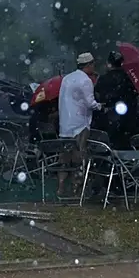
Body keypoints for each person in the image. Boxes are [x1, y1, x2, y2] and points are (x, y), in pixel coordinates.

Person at [56, 52, 101, 197]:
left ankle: (61, 187)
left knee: (64, 159)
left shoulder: (66, 79)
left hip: (65, 124)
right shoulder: (85, 81)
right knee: (79, 157)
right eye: (93, 64)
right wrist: (101, 106)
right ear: (88, 65)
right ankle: (76, 189)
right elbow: (90, 103)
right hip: (80, 124)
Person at [93, 51, 139, 149]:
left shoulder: (104, 79)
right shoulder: (129, 79)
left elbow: (98, 94)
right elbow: (134, 94)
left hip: (109, 116)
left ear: (109, 64)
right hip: (129, 117)